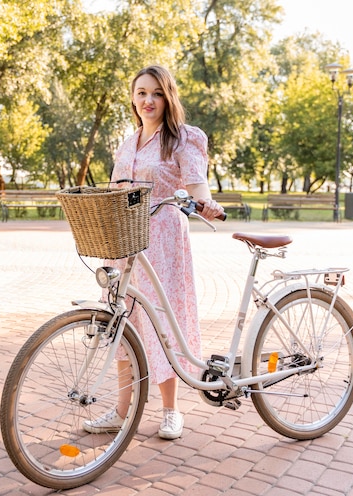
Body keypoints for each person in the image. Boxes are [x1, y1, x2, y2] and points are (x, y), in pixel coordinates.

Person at [83, 65, 224, 440]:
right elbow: (115, 189)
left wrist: (206, 204)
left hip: (162, 240)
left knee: (162, 321)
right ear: (133, 97)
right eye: (142, 92)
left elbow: (196, 184)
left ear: (168, 98)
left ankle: (170, 410)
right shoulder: (128, 143)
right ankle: (121, 410)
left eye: (156, 93)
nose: (148, 100)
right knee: (121, 323)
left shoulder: (181, 139)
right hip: (124, 241)